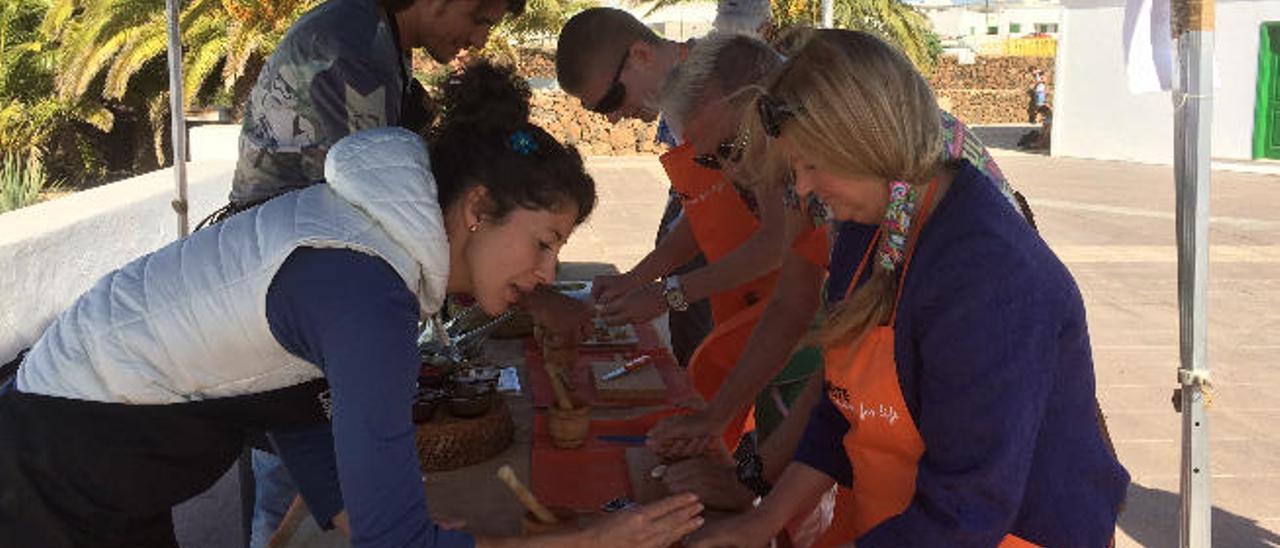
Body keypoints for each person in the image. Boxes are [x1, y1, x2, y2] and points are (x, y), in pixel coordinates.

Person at [0, 62, 704, 548]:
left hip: (94, 452)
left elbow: (297, 407)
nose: (548, 272)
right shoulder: (370, 290)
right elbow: (392, 541)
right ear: (478, 209)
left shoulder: (369, 243)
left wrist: (352, 509)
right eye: (544, 243)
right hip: (58, 463)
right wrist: (589, 540)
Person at [687, 29, 1128, 547]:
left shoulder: (988, 277)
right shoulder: (863, 233)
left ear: (866, 145)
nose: (803, 188)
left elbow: (967, 511)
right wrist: (758, 521)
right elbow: (839, 411)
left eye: (812, 165)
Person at [556, 7, 713, 367]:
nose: (612, 118)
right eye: (600, 110)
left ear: (641, 55)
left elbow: (767, 237)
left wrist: (668, 294)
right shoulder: (678, 95)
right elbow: (707, 210)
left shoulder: (720, 89)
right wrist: (637, 279)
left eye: (611, 100)